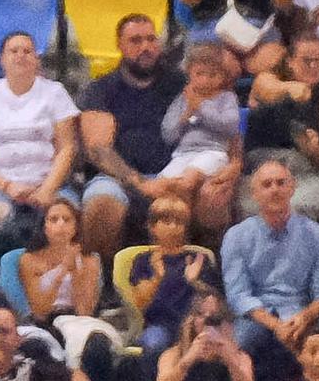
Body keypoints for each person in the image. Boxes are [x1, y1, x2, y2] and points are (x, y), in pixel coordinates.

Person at [79, 15, 232, 264]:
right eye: (136, 40)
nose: (145, 47)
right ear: (119, 45)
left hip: (177, 172)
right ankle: (105, 282)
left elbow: (215, 129)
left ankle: (198, 275)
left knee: (209, 195)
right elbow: (98, 150)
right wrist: (140, 183)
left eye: (151, 39)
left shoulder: (182, 84)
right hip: (118, 178)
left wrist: (190, 175)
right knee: (101, 204)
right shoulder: (101, 89)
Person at [221, 158, 319, 381]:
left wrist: (304, 317)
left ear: (292, 187)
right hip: (257, 318)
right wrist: (276, 325)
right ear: (254, 194)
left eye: (280, 183)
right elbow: (238, 296)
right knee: (234, 347)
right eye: (267, 184)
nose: (275, 189)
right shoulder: (236, 237)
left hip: (304, 314)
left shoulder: (317, 235)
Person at [0, 33, 80, 254]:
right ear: (1, 59)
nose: (21, 55)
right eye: (14, 51)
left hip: (49, 186)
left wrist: (46, 190)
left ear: (37, 59)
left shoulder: (55, 92)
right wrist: (7, 186)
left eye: (27, 51)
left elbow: (67, 147)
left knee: (62, 220)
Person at [237, 33, 319, 223]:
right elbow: (267, 89)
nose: (314, 66)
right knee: (254, 206)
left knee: (307, 200)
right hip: (260, 168)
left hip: (302, 173)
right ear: (290, 62)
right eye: (307, 61)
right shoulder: (267, 80)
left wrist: (314, 151)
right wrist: (292, 88)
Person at [125, 197, 212, 381]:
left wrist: (194, 281)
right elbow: (140, 303)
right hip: (159, 324)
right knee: (153, 344)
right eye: (166, 222)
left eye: (179, 222)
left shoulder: (198, 258)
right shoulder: (143, 260)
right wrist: (157, 276)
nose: (173, 227)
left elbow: (213, 301)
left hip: (194, 325)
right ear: (152, 227)